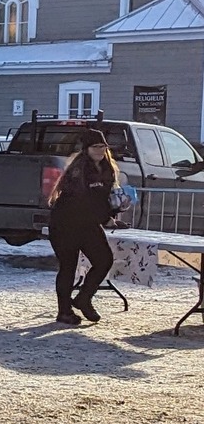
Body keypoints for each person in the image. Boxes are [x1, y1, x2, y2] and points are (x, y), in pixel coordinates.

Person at [49, 132, 120, 326]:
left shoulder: (107, 168)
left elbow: (103, 198)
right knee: (68, 266)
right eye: (95, 147)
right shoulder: (79, 170)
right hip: (65, 223)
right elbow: (85, 200)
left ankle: (83, 298)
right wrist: (104, 217)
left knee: (104, 260)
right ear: (86, 149)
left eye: (102, 147)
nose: (100, 150)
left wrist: (115, 209)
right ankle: (64, 311)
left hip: (87, 223)